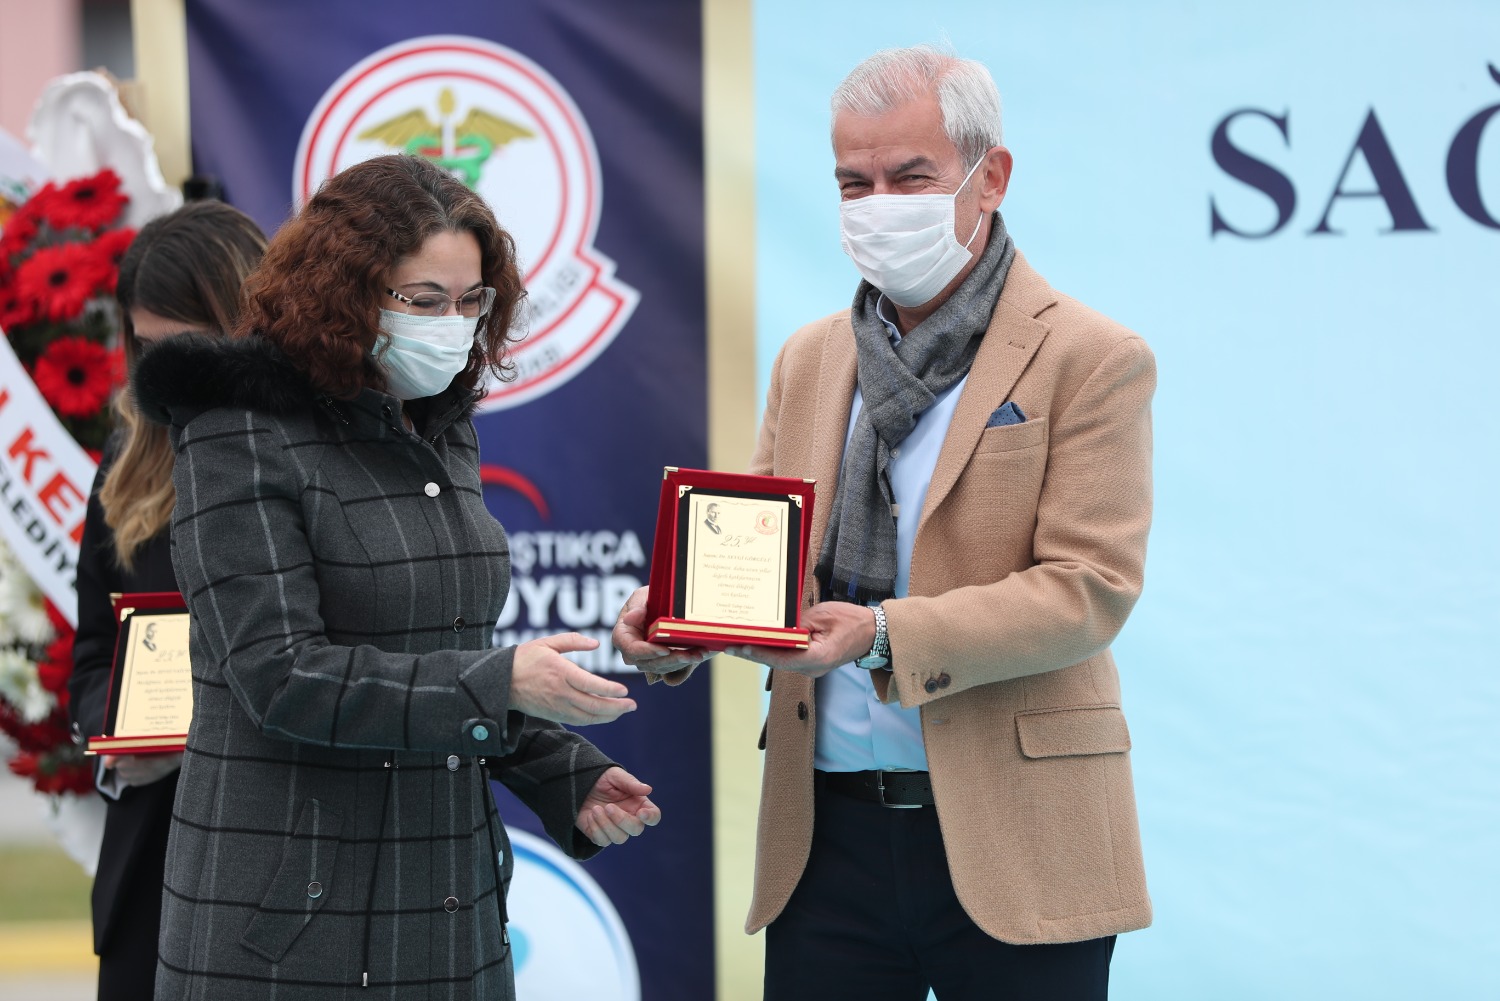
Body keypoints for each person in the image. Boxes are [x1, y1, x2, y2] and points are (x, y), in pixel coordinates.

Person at [615, 45, 1154, 1000]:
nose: (877, 205)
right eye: (852, 183)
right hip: (826, 839)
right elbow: (763, 561)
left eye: (910, 177)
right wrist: (675, 621)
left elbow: (1089, 588)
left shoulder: (1091, 355)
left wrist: (880, 635)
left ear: (991, 177)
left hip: (1020, 833)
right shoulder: (811, 358)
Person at [132, 154, 658, 1001]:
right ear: (344, 291)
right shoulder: (238, 430)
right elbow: (280, 676)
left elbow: (437, 656)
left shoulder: (440, 426)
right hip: (292, 927)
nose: (454, 324)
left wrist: (560, 768)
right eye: (425, 300)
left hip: (447, 904)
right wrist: (498, 681)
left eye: (471, 300)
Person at [68, 199, 268, 1001]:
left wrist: (212, 728)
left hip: (282, 871)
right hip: (150, 872)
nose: (165, 375)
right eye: (146, 348)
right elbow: (92, 653)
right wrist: (119, 738)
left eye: (187, 347)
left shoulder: (321, 455)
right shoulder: (128, 460)